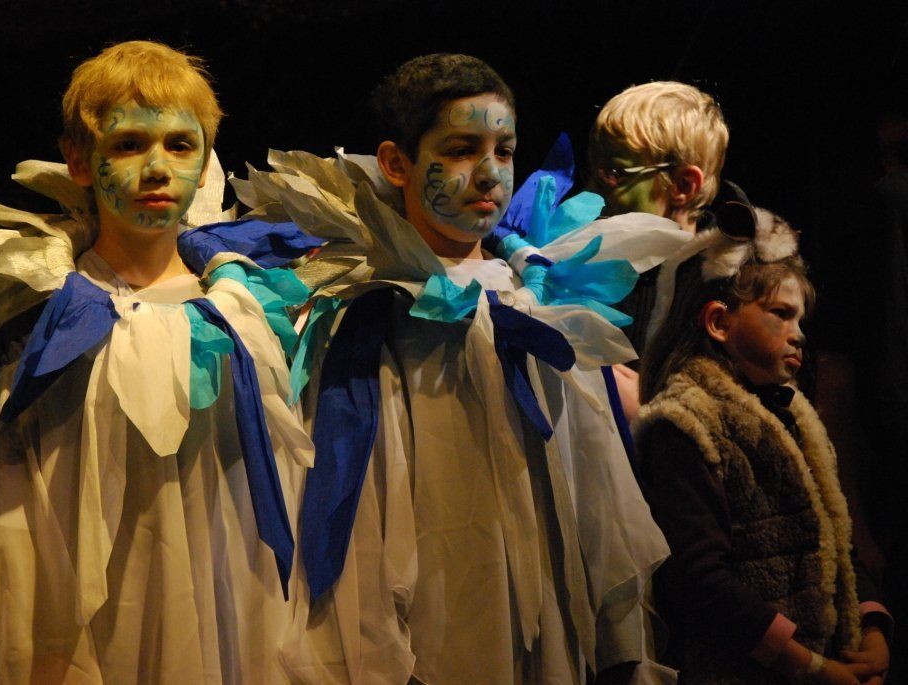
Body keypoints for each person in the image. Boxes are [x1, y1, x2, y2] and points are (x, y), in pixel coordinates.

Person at [233, 53, 674, 684]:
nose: (490, 173)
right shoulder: (369, 311)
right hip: (434, 599)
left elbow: (594, 482)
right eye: (462, 150)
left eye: (504, 150)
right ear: (396, 163)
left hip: (539, 594)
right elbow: (352, 492)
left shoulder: (541, 302)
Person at [0, 40, 313, 683]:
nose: (158, 168)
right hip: (88, 611)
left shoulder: (246, 317)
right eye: (129, 144)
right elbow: (23, 504)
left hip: (218, 599)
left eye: (180, 146)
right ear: (79, 160)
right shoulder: (53, 321)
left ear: (205, 163)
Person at [633, 202, 892, 684]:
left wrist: (872, 632)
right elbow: (699, 580)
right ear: (719, 322)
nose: (799, 336)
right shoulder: (684, 423)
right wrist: (806, 665)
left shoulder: (793, 416)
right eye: (781, 315)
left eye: (801, 320)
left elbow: (837, 541)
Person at [586, 81, 731, 420]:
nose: (592, 189)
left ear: (683, 185)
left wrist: (648, 414)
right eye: (594, 170)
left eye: (614, 173)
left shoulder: (729, 289)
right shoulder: (590, 265)